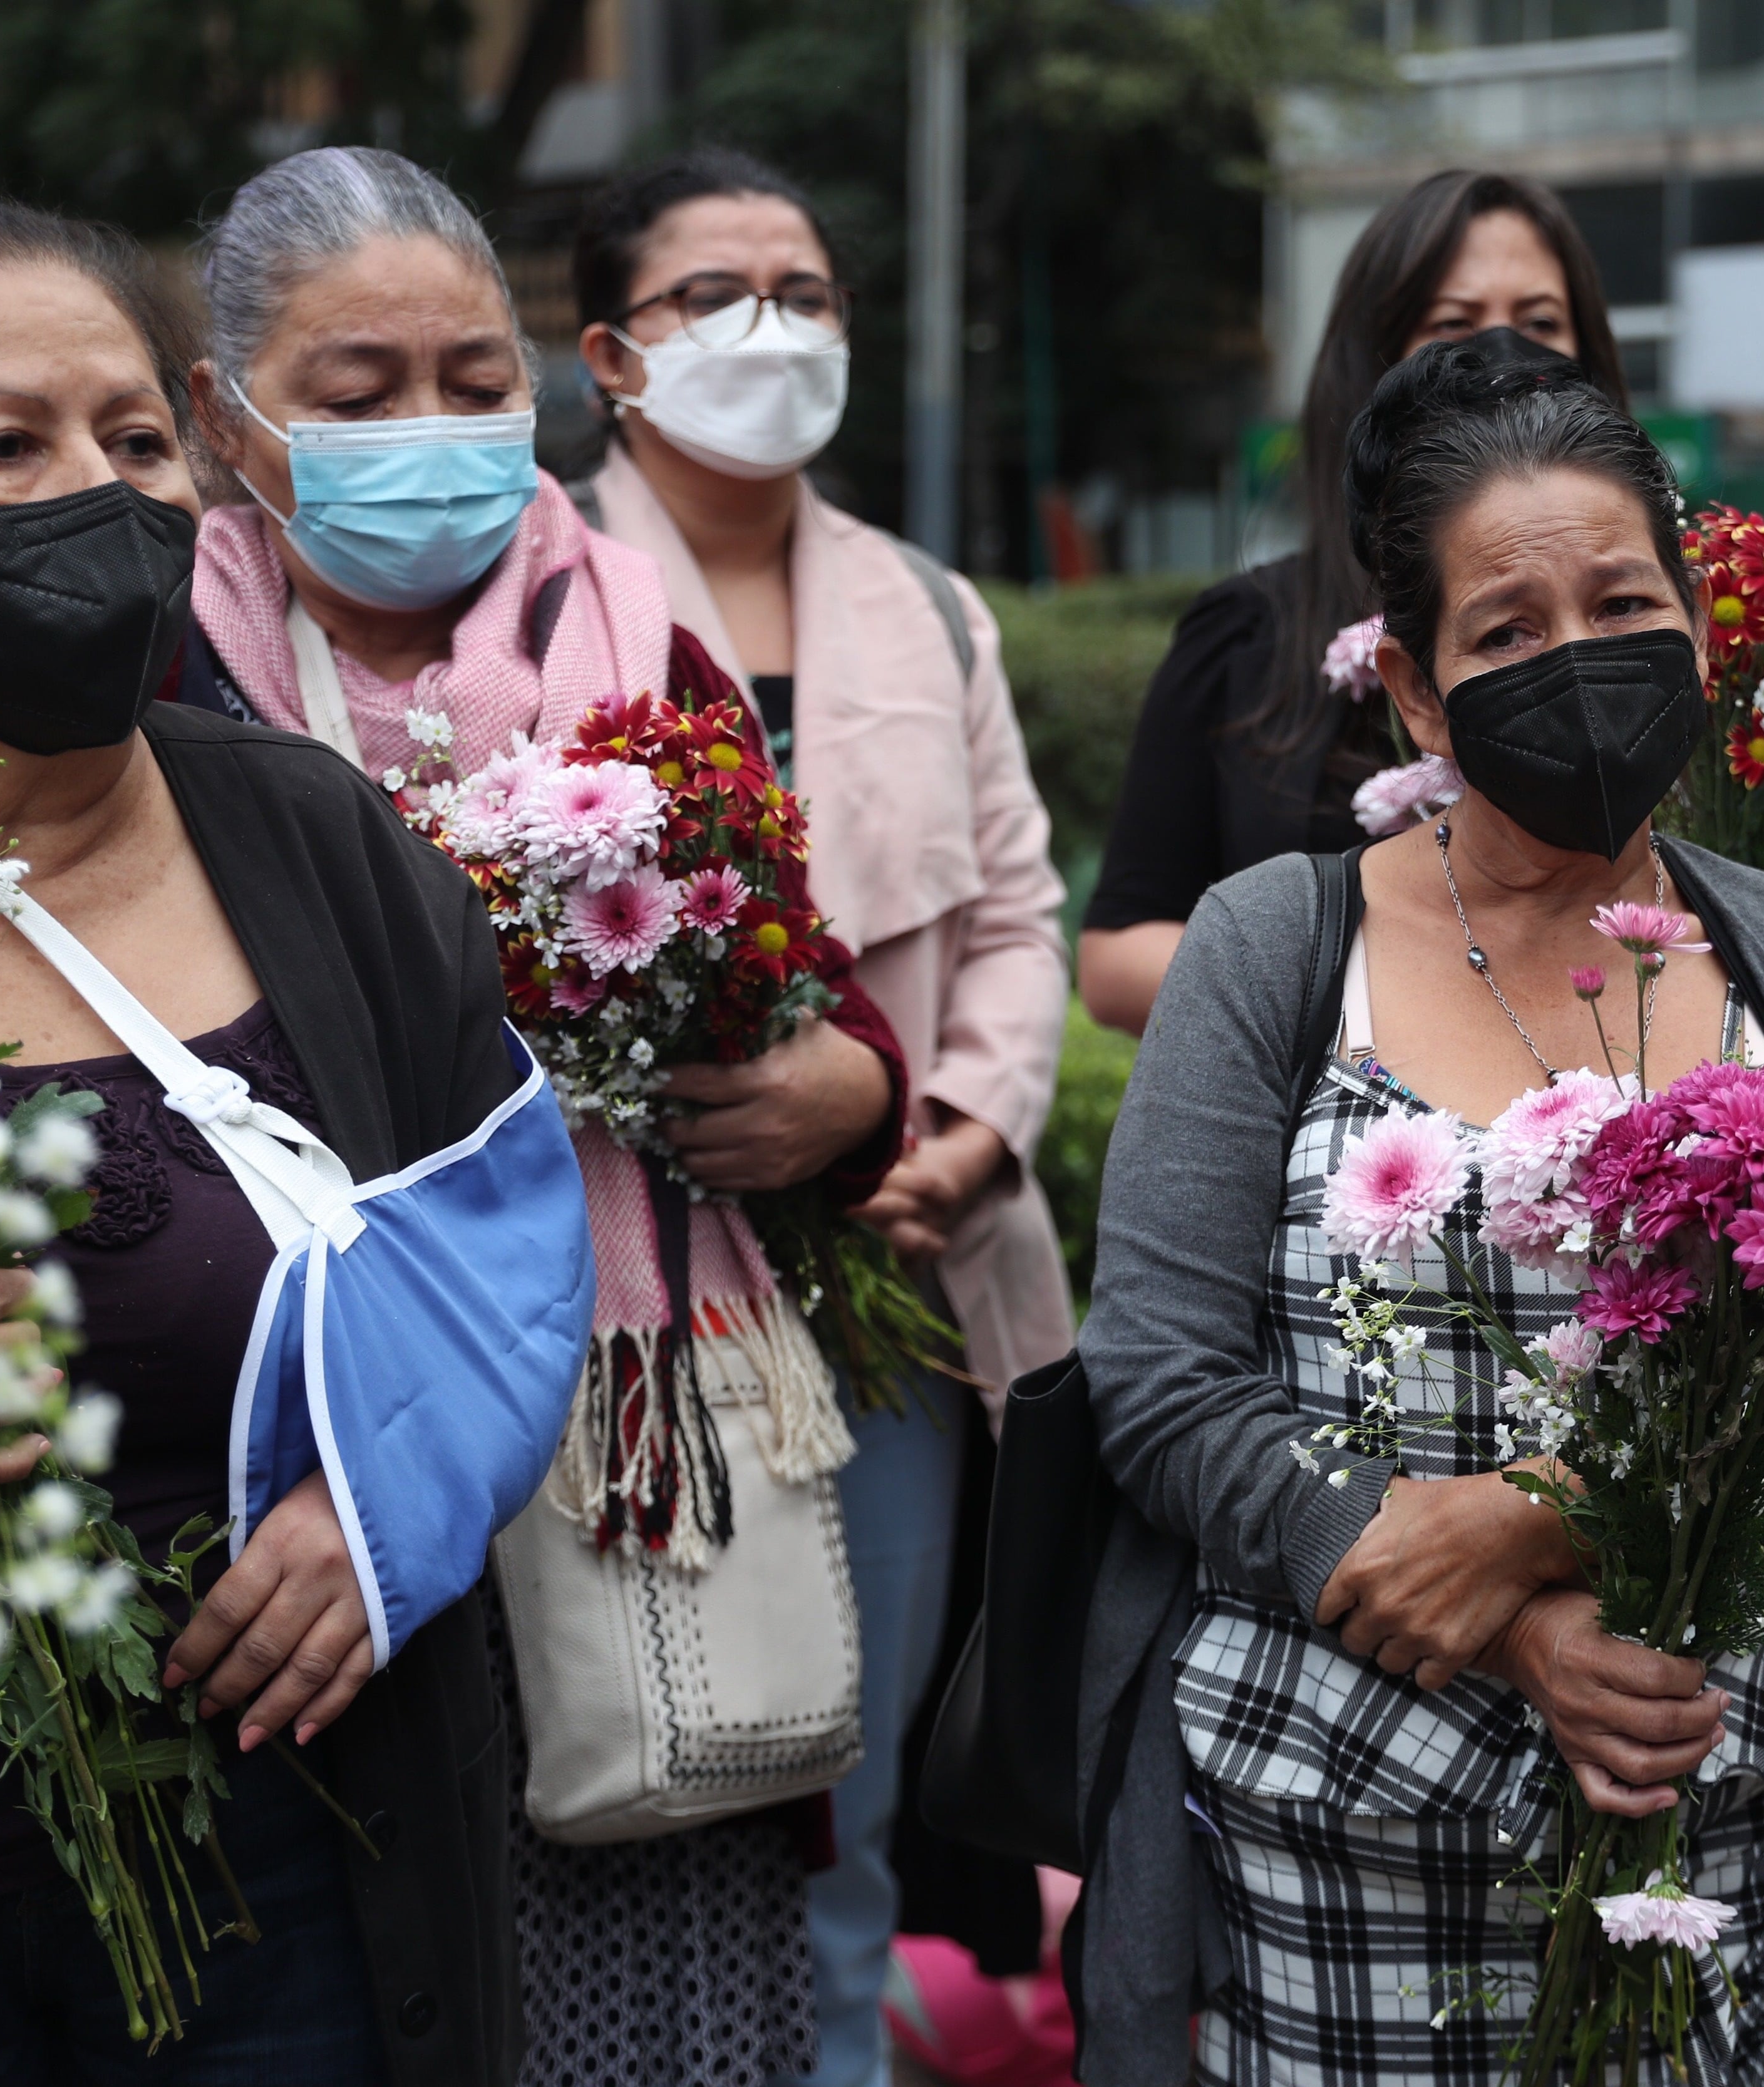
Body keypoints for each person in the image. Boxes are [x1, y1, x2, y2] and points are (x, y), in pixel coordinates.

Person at [0, 193, 586, 2086]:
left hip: (297, 1884)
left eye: (137, 441)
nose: (99, 493)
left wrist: (387, 1502)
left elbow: (504, 1245)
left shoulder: (308, 838)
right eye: (6, 447)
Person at [1068, 335, 1764, 2086]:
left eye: (1624, 603)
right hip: (1330, 1826)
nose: (1580, 662)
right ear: (1415, 690)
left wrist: (1538, 1515)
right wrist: (1513, 1620)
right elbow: (1155, 1376)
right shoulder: (1273, 944)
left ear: (1698, 626)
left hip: (1695, 1805)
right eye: (1507, 635)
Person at [175, 146, 909, 2087]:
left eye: (475, 379)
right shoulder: (160, 679)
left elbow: (801, 983)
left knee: (649, 1938)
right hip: (300, 1455)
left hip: (624, 1448)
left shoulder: (639, 640)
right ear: (223, 420)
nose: (430, 429)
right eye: (353, 395)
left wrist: (844, 1088)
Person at [564, 147, 1076, 2087]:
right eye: (714, 292)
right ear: (611, 350)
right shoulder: (538, 596)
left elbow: (1019, 910)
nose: (769, 325)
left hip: (891, 1281)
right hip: (620, 1297)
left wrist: (952, 1120)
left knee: (842, 1774)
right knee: (633, 1765)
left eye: (806, 286)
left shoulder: (929, 611)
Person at [1075, 168, 1631, 1034]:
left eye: (1541, 324)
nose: (1503, 358)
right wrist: (1377, 997)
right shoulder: (1246, 638)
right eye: (1451, 326)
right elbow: (1116, 959)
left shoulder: (1659, 647)